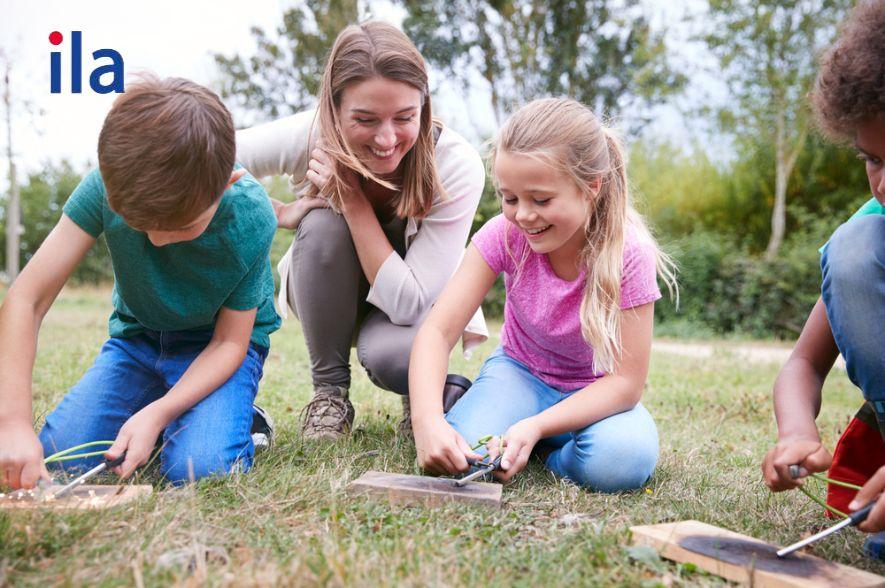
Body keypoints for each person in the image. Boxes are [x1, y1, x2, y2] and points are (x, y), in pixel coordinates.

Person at [0, 75, 281, 488]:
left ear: (227, 183)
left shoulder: (251, 215)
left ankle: (242, 421)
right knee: (61, 458)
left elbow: (229, 343)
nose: (157, 241)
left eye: (183, 226)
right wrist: (11, 422)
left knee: (197, 471)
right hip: (138, 341)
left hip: (215, 349)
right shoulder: (107, 183)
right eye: (139, 224)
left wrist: (160, 413)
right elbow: (27, 297)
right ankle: (172, 411)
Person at [408, 98, 676, 491]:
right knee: (462, 457)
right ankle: (508, 425)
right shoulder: (503, 234)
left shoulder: (629, 255)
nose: (523, 216)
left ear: (591, 187)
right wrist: (427, 421)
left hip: (595, 393)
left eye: (542, 200)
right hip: (519, 375)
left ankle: (549, 449)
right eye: (510, 198)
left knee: (622, 461)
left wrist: (537, 425)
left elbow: (625, 384)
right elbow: (438, 331)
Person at [237, 21, 487, 440]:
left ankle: (424, 395)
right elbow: (205, 154)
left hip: (416, 312)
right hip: (332, 295)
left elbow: (409, 303)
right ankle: (329, 396)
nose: (387, 138)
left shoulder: (456, 165)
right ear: (333, 110)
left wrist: (351, 200)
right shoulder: (312, 134)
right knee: (320, 225)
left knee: (392, 357)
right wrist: (273, 211)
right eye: (366, 119)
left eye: (405, 117)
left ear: (424, 106)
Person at [760, 0, 885, 558]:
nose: (883, 187)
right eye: (873, 160)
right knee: (853, 247)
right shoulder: (872, 235)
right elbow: (804, 363)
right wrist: (795, 433)